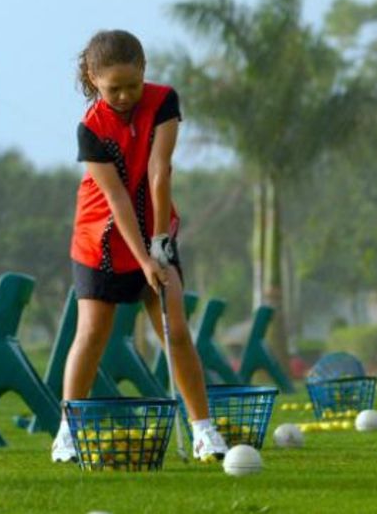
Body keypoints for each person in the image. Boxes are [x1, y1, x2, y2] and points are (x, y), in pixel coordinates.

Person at [51, 29, 227, 462]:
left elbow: (159, 171)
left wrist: (160, 244)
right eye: (114, 89)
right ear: (93, 78)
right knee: (92, 335)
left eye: (132, 85)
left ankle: (204, 432)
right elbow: (116, 200)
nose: (126, 96)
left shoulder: (163, 100)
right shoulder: (90, 130)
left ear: (144, 71)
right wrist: (141, 254)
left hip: (155, 230)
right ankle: (68, 432)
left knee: (177, 332)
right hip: (102, 238)